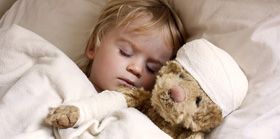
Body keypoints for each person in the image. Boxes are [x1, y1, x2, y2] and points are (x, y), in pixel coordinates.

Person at [84, 0, 186, 93]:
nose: (137, 69)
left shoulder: (134, 113)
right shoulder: (69, 75)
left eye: (151, 68)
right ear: (93, 46)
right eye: (125, 52)